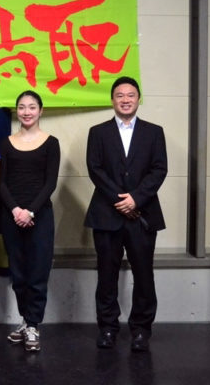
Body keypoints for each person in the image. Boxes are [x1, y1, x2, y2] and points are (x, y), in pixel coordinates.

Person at [85, 76, 167, 352]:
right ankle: (108, 327)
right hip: (106, 215)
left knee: (144, 274)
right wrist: (120, 199)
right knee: (106, 275)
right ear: (112, 100)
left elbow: (159, 169)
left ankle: (141, 330)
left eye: (131, 95)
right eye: (120, 95)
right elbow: (95, 168)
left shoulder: (154, 132)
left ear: (138, 99)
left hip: (143, 214)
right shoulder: (98, 132)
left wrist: (136, 199)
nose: (125, 100)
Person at [0, 90, 60, 352]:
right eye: (22, 107)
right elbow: (0, 182)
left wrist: (30, 212)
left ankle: (34, 323)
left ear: (40, 111)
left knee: (38, 272)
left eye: (32, 107)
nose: (27, 112)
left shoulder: (51, 143)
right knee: (19, 273)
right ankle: (26, 320)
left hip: (40, 217)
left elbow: (50, 183)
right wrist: (15, 210)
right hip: (11, 216)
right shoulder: (5, 143)